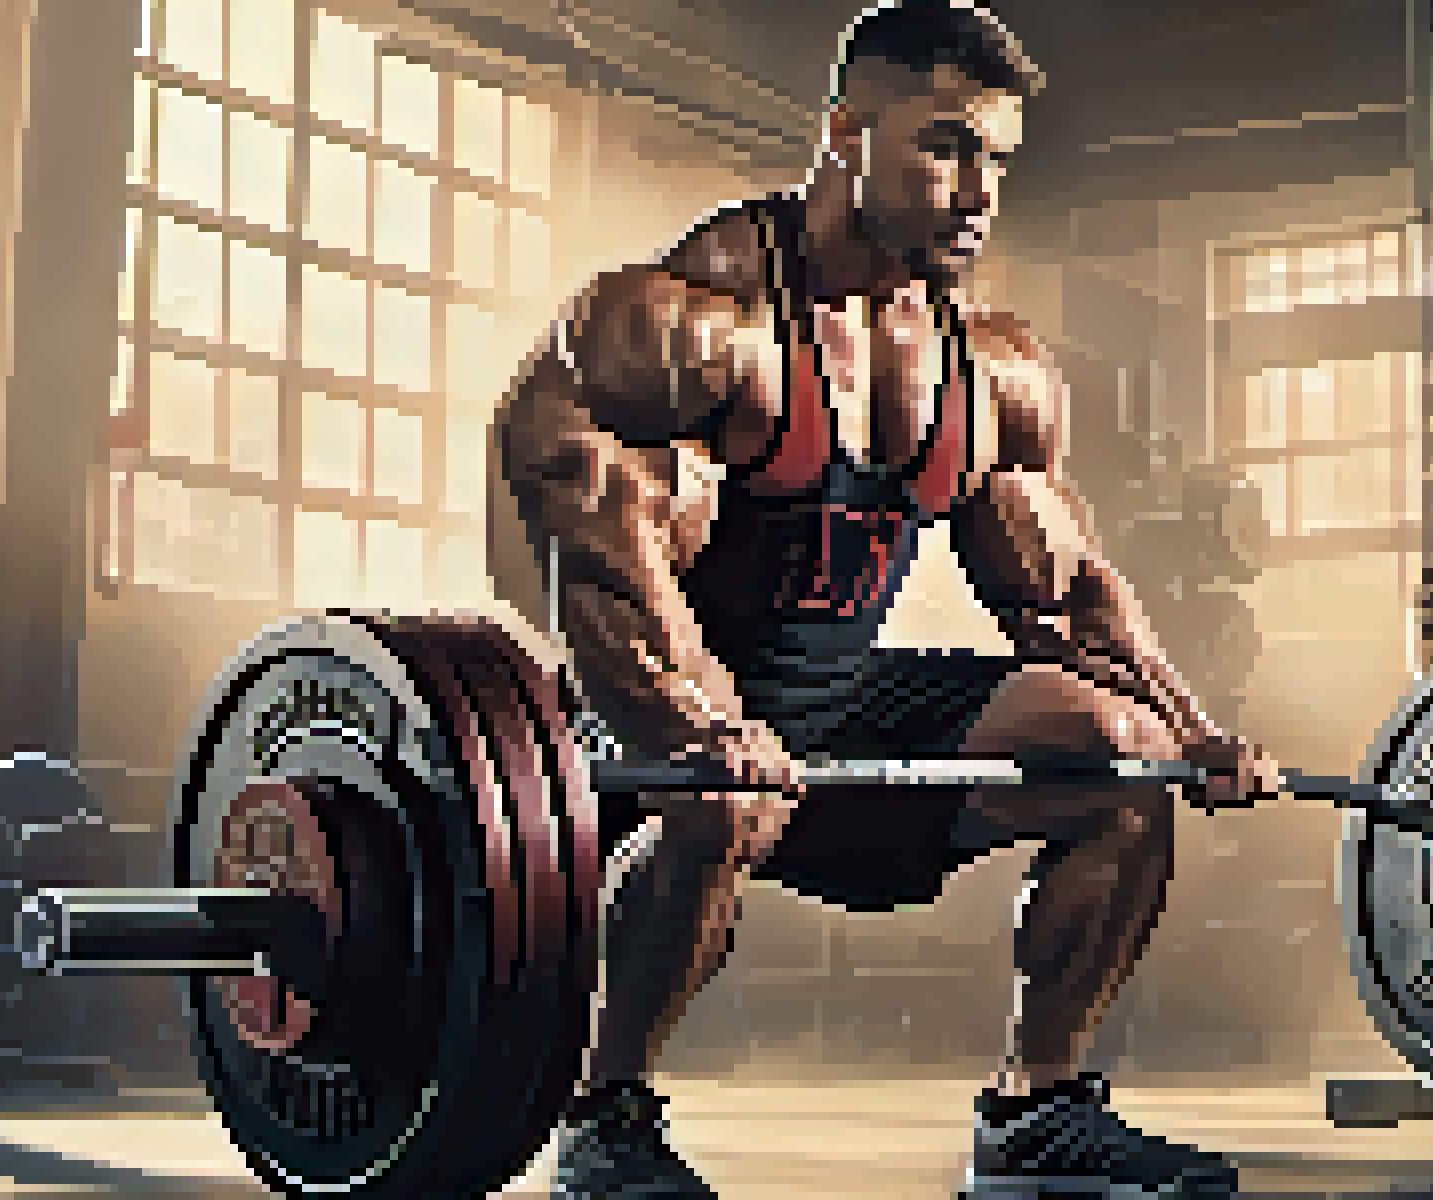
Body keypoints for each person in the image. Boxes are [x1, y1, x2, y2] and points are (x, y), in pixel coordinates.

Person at [490, 3, 1283, 1196]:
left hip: (838, 714)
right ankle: (605, 1121)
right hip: (643, 721)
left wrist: (1195, 727)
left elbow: (1064, 600)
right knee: (718, 799)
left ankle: (1035, 1115)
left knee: (1123, 759)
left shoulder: (987, 371)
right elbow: (603, 569)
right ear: (850, 131)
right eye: (947, 148)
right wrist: (699, 722)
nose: (981, 193)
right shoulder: (690, 329)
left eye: (997, 163)